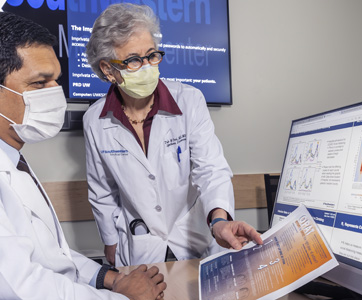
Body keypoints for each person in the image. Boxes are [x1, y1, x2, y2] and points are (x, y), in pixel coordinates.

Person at [0, 10, 166, 300]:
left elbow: (49, 254)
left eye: (56, 81)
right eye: (40, 83)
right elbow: (13, 290)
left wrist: (107, 278)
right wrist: (126, 297)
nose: (56, 93)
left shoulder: (2, 151)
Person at [84, 3, 263, 267]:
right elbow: (102, 191)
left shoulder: (189, 100)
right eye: (134, 60)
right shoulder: (94, 121)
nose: (147, 67)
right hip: (138, 248)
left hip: (193, 240)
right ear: (109, 70)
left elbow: (211, 169)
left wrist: (220, 220)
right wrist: (111, 241)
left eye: (152, 55)